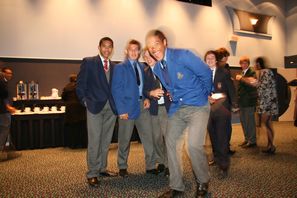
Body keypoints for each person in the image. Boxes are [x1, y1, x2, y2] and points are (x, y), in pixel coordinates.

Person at [145, 29, 212, 197]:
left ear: (165, 42)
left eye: (156, 44)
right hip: (177, 108)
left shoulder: (183, 55)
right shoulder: (159, 66)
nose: (153, 49)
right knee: (171, 143)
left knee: (193, 146)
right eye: (150, 47)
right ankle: (176, 186)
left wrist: (206, 93)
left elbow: (205, 72)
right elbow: (170, 84)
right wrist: (171, 92)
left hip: (198, 106)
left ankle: (203, 180)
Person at [111, 39, 156, 177]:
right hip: (127, 109)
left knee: (148, 138)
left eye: (136, 50)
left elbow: (144, 88)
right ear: (126, 51)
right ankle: (122, 166)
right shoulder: (120, 67)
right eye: (131, 49)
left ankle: (151, 166)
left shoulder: (142, 67)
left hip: (142, 106)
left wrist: (147, 98)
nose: (134, 52)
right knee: (124, 139)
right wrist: (121, 110)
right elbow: (116, 90)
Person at [76, 37, 117, 187]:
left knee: (106, 141)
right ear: (99, 47)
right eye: (104, 46)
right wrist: (84, 100)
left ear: (112, 49)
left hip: (111, 109)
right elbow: (80, 84)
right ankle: (92, 173)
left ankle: (102, 168)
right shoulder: (89, 62)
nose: (107, 49)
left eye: (110, 47)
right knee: (94, 141)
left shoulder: (114, 66)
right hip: (94, 107)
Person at [205, 50, 237, 179]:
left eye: (212, 57)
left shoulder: (223, 72)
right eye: (207, 58)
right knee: (213, 136)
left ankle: (224, 166)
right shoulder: (202, 74)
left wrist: (234, 104)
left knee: (222, 138)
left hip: (222, 109)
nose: (210, 59)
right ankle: (216, 158)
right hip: (207, 110)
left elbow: (231, 89)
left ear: (216, 60)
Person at [239, 57, 278, 154]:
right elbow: (258, 84)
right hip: (265, 102)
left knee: (267, 124)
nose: (255, 65)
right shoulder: (263, 72)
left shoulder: (266, 72)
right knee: (268, 124)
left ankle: (271, 146)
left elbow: (259, 85)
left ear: (259, 64)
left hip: (268, 102)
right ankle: (270, 145)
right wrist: (251, 80)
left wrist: (244, 79)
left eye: (256, 63)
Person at [142, 48, 171, 176]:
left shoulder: (165, 68)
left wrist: (172, 92)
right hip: (153, 110)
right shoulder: (145, 72)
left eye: (149, 56)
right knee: (157, 138)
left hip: (167, 108)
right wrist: (149, 94)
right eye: (145, 57)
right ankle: (162, 162)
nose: (148, 59)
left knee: (168, 137)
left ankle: (171, 165)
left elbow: (174, 84)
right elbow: (142, 90)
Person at [235, 56, 258, 148]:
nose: (243, 65)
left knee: (250, 122)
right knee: (244, 121)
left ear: (248, 64)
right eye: (241, 63)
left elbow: (253, 83)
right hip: (242, 102)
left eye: (245, 63)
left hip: (249, 102)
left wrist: (241, 78)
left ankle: (252, 141)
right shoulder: (242, 73)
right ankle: (247, 139)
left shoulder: (251, 72)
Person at [61, 74, 87, 148]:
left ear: (70, 80)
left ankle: (73, 145)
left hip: (71, 110)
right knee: (82, 128)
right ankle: (83, 144)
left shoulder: (66, 87)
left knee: (72, 128)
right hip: (81, 109)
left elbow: (63, 98)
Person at [0, 67, 16, 160]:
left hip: (4, 111)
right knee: (4, 131)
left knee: (5, 131)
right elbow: (3, 97)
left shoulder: (4, 82)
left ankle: (9, 151)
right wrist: (8, 107)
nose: (9, 75)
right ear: (3, 73)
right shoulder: (2, 82)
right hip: (3, 111)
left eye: (11, 73)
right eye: (8, 73)